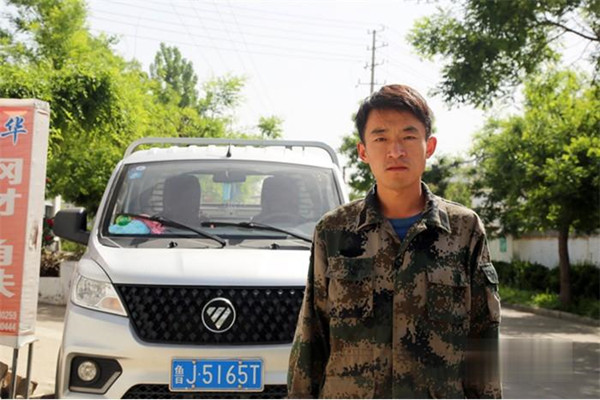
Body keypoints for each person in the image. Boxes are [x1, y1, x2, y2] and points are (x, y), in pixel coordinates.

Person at [287, 84, 501, 398]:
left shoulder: (464, 229)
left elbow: (483, 337)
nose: (396, 151)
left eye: (408, 137)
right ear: (363, 151)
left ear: (429, 146)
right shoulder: (334, 231)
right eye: (381, 138)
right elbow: (312, 334)